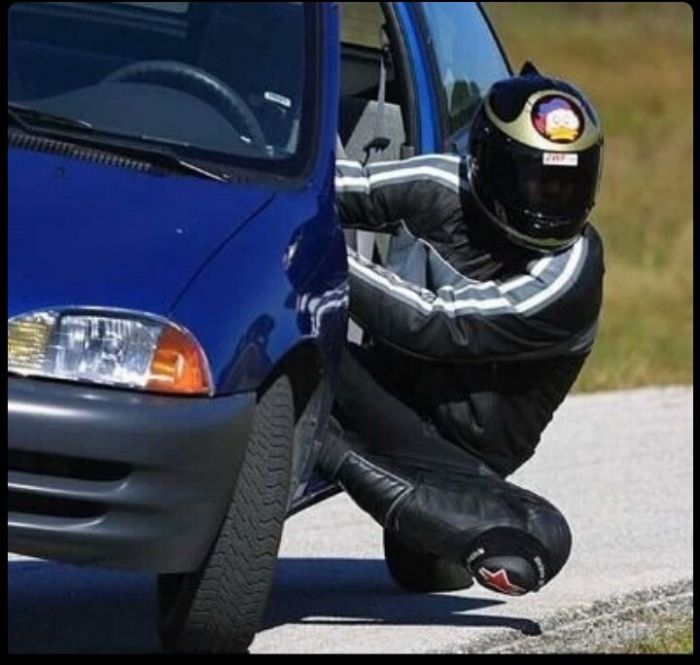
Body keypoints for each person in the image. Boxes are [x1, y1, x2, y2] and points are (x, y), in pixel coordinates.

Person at [318, 64, 605, 597]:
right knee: (304, 350)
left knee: (535, 546)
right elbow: (331, 190)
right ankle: (314, 434)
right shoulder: (439, 183)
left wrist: (312, 252)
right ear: (491, 165)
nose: (553, 202)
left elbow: (435, 323)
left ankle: (325, 445)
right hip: (387, 385)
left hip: (463, 452)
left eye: (569, 184)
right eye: (539, 181)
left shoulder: (570, 275)